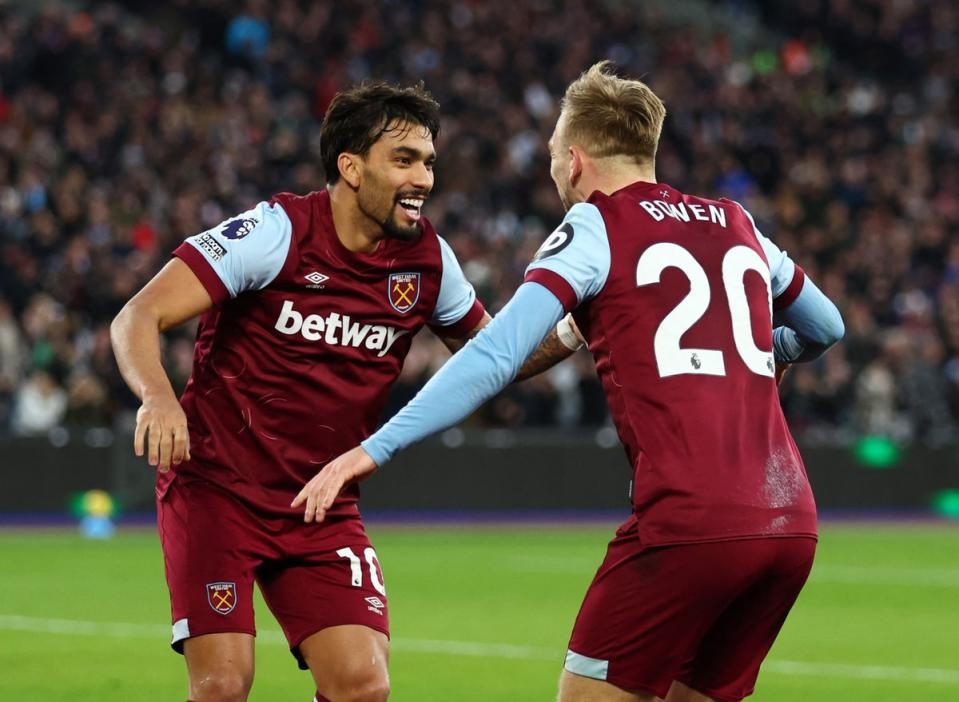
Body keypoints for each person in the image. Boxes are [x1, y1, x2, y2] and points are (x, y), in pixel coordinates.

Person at [300, 62, 845, 702]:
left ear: (576, 159)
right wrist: (756, 352)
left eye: (555, 153)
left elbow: (497, 354)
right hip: (790, 524)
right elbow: (826, 326)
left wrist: (374, 448)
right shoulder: (736, 221)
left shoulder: (596, 225)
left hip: (688, 524)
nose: (554, 169)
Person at [111, 80, 578, 702]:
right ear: (351, 167)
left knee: (363, 685)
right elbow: (137, 316)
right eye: (404, 159)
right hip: (218, 489)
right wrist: (158, 396)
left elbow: (493, 358)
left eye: (429, 162)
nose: (423, 179)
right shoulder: (274, 233)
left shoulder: (429, 261)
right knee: (223, 684)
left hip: (320, 498)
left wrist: (572, 332)